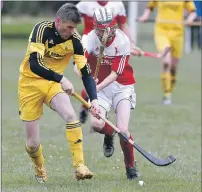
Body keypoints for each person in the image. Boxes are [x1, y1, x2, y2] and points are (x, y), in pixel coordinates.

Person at [18, 3, 100, 183]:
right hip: (29, 84)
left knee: (71, 115)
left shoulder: (75, 40)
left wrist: (94, 100)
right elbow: (34, 64)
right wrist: (62, 79)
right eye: (69, 27)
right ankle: (39, 168)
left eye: (74, 28)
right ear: (58, 21)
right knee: (32, 144)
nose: (72, 31)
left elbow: (85, 73)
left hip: (52, 85)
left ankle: (80, 166)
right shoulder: (42, 30)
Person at [75, 7, 139, 179]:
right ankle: (109, 134)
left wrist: (96, 88)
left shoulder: (122, 41)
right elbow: (77, 65)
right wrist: (86, 78)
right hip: (100, 88)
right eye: (101, 29)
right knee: (95, 125)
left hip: (121, 86)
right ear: (95, 27)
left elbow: (115, 74)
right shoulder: (88, 39)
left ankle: (131, 167)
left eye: (108, 28)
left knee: (124, 130)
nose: (105, 33)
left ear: (114, 26)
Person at [76, 0, 141, 123]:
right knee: (91, 80)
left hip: (111, 50)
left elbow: (123, 25)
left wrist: (131, 44)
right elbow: (70, 20)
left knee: (100, 83)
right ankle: (89, 107)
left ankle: (93, 107)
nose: (105, 32)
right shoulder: (85, 4)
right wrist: (78, 39)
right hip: (91, 51)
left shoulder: (118, 5)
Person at [138, 1, 196, 105]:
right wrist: (145, 15)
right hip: (161, 31)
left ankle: (170, 89)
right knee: (166, 61)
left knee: (173, 67)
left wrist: (190, 19)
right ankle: (167, 94)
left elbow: (192, 11)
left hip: (178, 33)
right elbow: (150, 6)